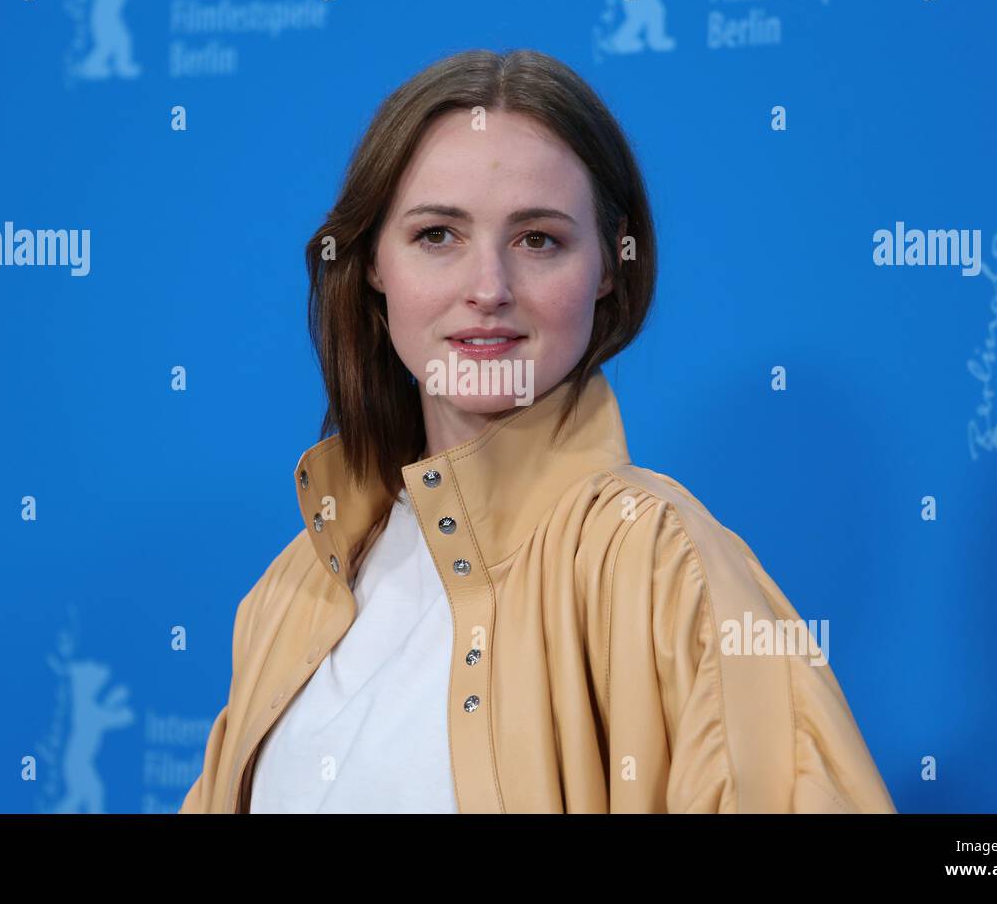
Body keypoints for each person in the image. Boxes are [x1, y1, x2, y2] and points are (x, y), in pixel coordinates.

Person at [180, 48, 897, 814]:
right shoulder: (290, 590)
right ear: (373, 266)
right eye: (437, 235)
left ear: (611, 268)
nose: (488, 288)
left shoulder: (659, 560)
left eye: (538, 240)